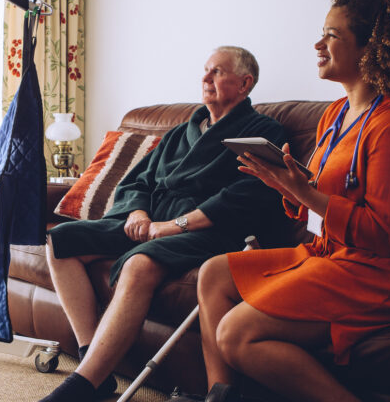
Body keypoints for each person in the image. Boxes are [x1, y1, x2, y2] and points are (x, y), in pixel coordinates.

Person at [195, 0, 390, 402]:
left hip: (377, 273)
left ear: (371, 48)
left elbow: (388, 236)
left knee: (235, 334)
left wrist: (306, 193)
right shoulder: (335, 115)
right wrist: (284, 184)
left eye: (331, 34)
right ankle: (222, 396)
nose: (317, 44)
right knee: (213, 272)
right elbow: (319, 201)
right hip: (329, 254)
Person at [39, 46, 293, 402]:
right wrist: (139, 214)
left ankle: (82, 385)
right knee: (61, 241)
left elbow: (247, 195)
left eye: (217, 72)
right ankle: (92, 361)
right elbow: (136, 181)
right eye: (206, 70)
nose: (206, 78)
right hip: (152, 221)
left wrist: (173, 226)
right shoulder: (180, 132)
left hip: (208, 231)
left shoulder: (262, 131)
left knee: (140, 264)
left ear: (245, 83)